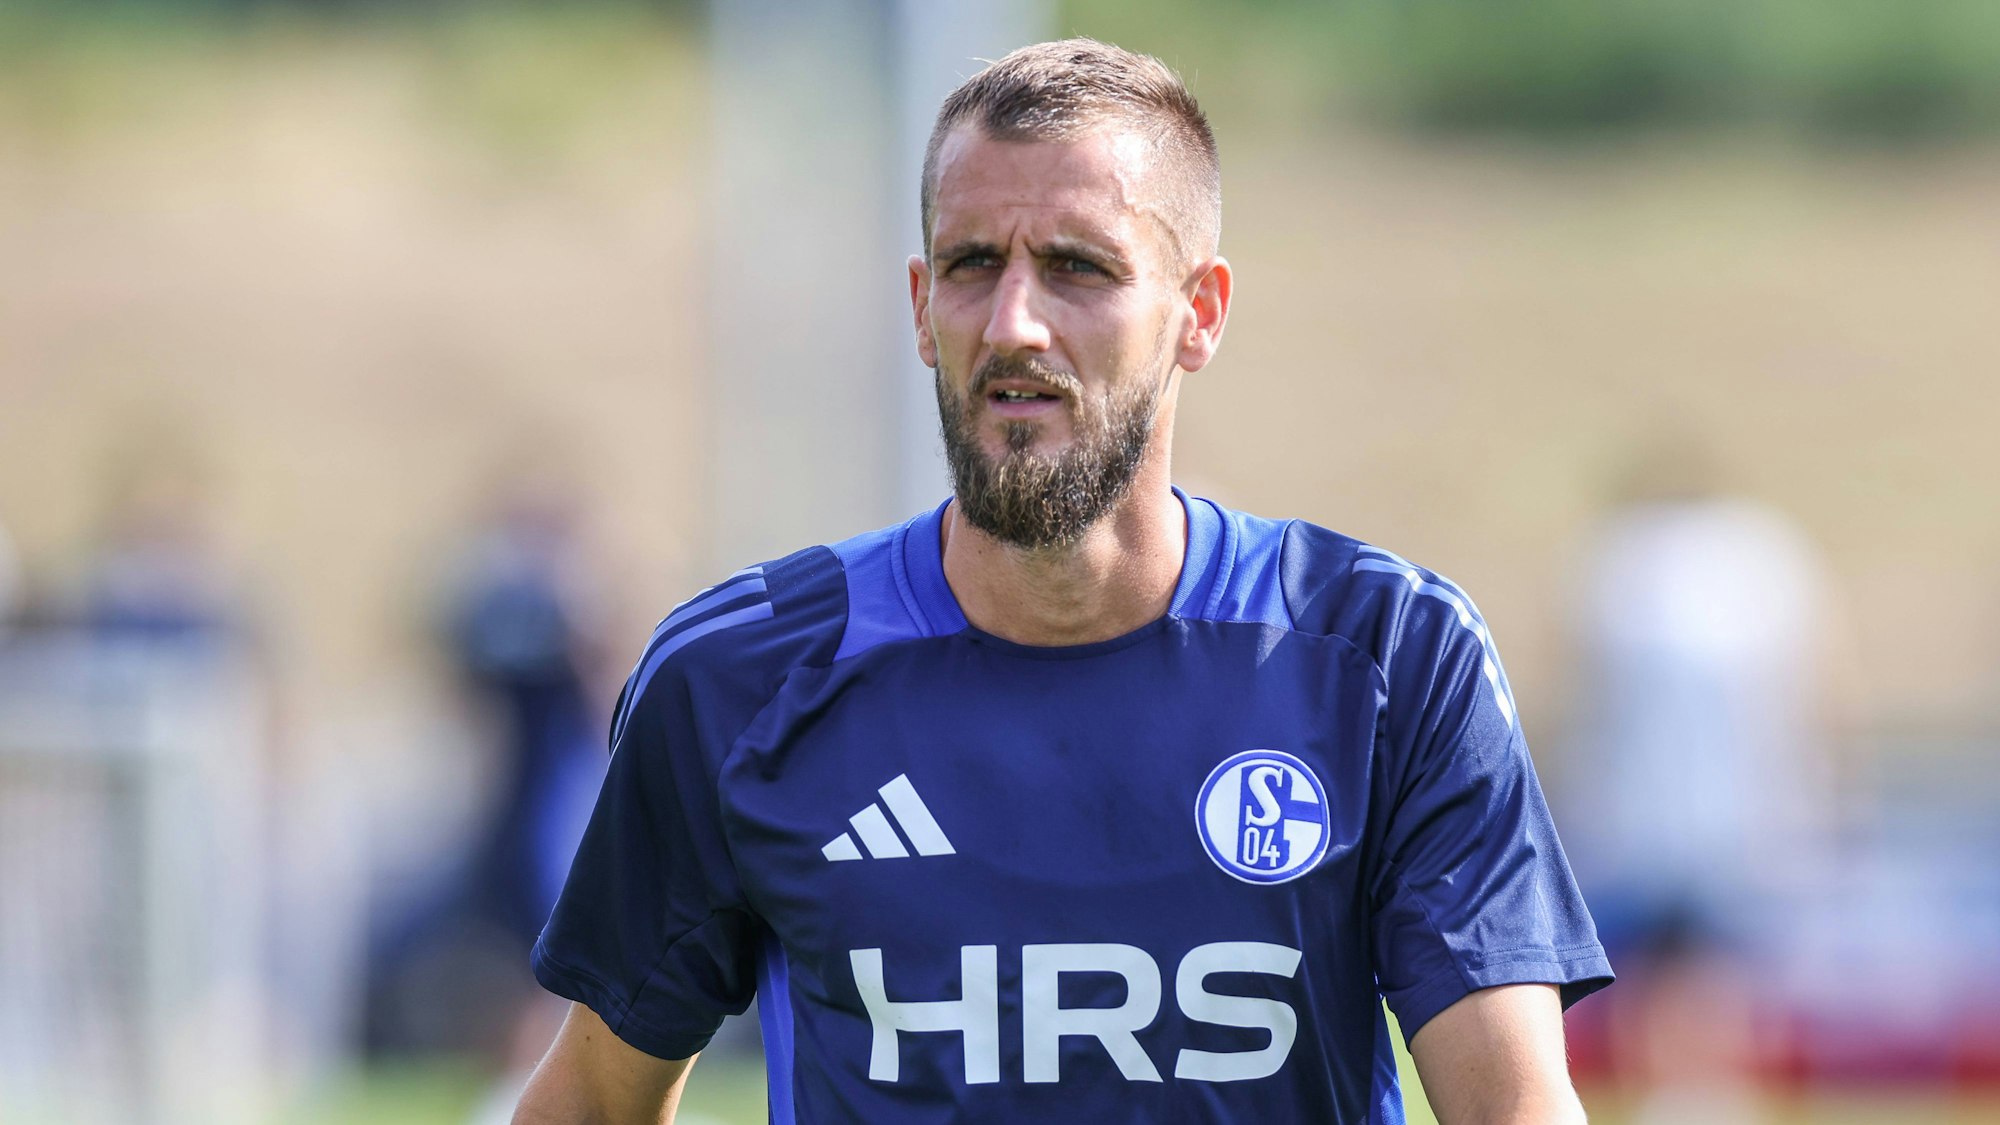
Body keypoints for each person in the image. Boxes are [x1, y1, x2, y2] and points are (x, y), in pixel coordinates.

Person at [515, 39, 1610, 1124]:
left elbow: (1510, 1108)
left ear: (1200, 312)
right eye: (971, 264)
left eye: (1079, 268)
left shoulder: (1385, 660)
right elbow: (591, 1105)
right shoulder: (738, 682)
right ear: (918, 306)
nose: (1012, 325)